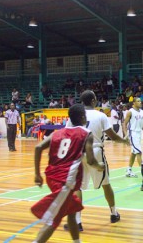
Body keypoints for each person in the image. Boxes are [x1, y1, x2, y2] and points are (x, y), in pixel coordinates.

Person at [31, 104, 105, 243]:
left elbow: (38, 147)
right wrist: (99, 166)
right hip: (66, 181)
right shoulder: (85, 133)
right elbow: (90, 160)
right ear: (83, 117)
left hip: (52, 177)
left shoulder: (57, 132)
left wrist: (37, 174)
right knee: (54, 220)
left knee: (72, 210)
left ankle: (77, 241)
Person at [64, 90, 129, 231]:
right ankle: (113, 213)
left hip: (78, 152)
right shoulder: (100, 115)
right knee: (106, 184)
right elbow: (112, 135)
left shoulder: (74, 115)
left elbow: (67, 135)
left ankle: (77, 221)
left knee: (78, 187)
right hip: (95, 150)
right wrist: (124, 141)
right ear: (93, 100)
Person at [122, 97, 143, 177]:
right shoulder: (130, 112)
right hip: (132, 134)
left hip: (139, 133)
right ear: (134, 103)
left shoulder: (141, 112)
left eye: (140, 101)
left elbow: (141, 124)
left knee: (134, 153)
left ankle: (129, 170)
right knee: (138, 152)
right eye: (138, 101)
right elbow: (124, 124)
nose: (140, 102)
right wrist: (126, 135)